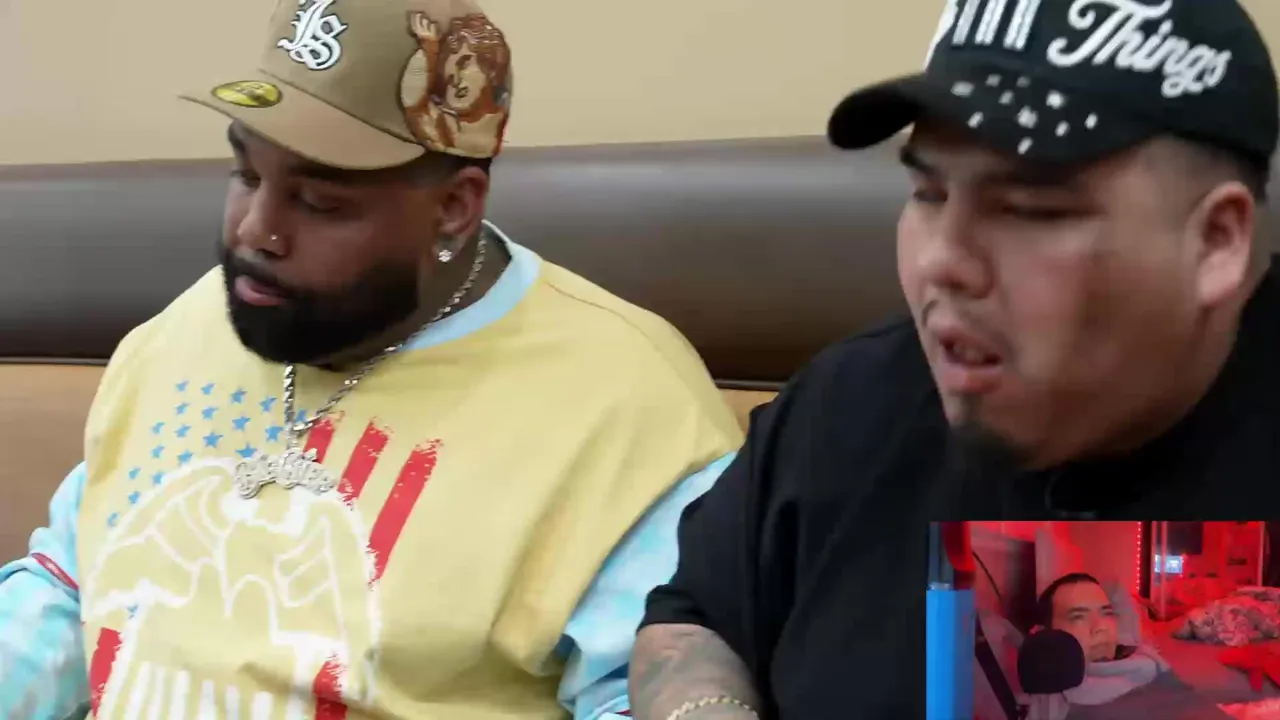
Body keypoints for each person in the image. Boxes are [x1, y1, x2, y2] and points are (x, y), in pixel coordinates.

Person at [0, 0, 743, 718]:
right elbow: (68, 589)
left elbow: (637, 695)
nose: (256, 231)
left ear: (454, 207)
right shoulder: (194, 323)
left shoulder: (628, 403)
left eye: (319, 203)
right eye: (247, 175)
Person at [630, 0, 1280, 716]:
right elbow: (696, 619)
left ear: (1216, 241)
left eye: (1029, 207)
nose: (941, 260)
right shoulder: (847, 405)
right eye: (928, 193)